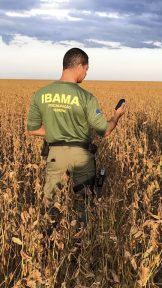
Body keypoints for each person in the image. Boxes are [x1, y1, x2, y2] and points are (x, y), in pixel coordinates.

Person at [27, 47, 126, 230]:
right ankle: (83, 242)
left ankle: (50, 243)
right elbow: (104, 131)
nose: (86, 74)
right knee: (85, 204)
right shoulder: (85, 97)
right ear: (79, 66)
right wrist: (116, 116)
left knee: (52, 204)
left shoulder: (41, 94)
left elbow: (32, 129)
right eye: (86, 69)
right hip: (82, 156)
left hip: (55, 154)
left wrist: (56, 132)